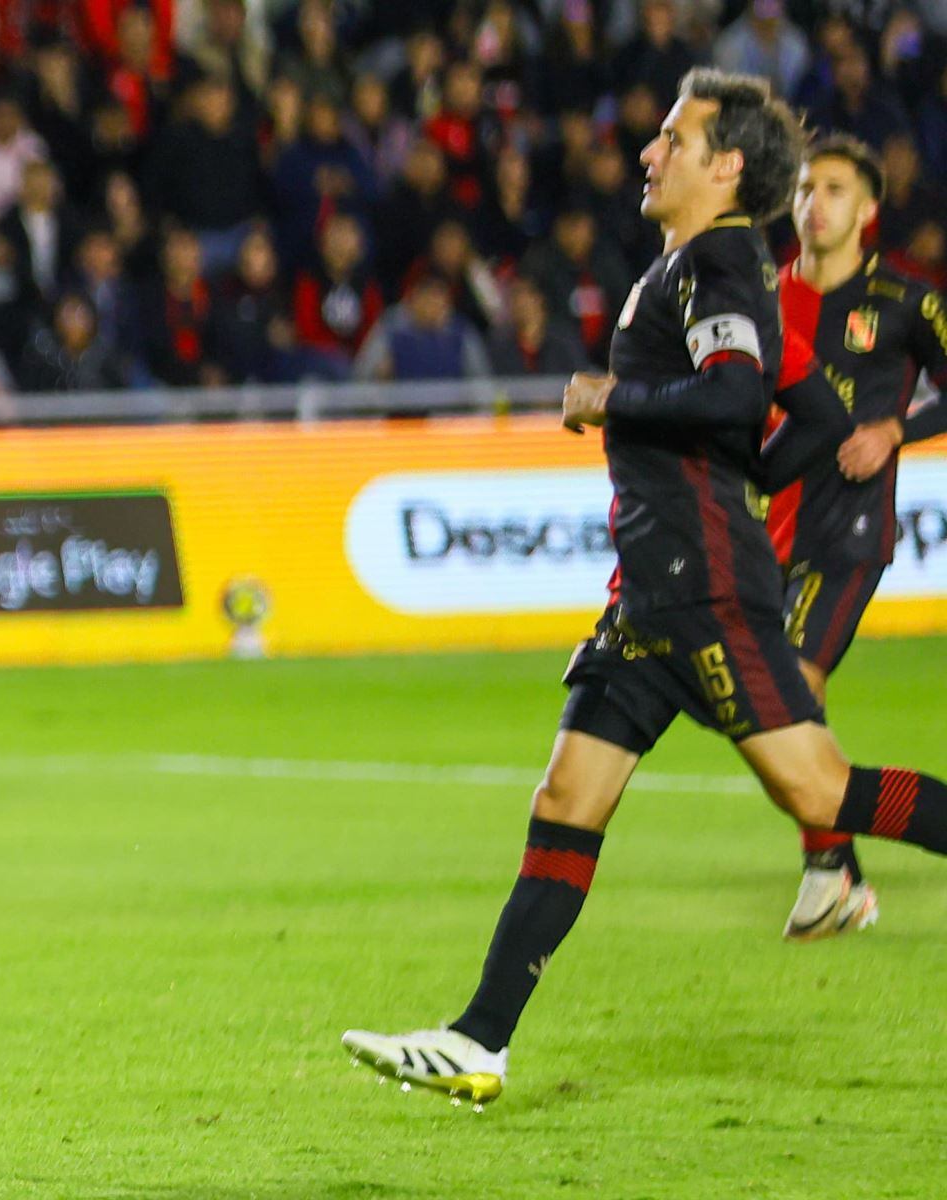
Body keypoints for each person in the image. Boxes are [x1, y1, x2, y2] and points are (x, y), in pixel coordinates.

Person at [341, 70, 947, 1105]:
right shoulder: (704, 267)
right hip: (652, 591)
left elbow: (737, 392)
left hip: (705, 589)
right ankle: (481, 1039)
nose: (647, 153)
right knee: (567, 799)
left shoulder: (716, 258)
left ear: (728, 166)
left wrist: (616, 397)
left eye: (673, 137)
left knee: (817, 791)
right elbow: (809, 411)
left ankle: (483, 1034)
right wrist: (746, 474)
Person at [766, 133, 947, 939]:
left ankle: (828, 874)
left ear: (867, 209)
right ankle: (836, 868)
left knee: (794, 686)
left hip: (850, 526)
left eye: (835, 188)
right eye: (806, 187)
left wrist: (894, 431)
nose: (816, 202)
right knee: (775, 711)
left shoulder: (905, 300)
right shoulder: (765, 299)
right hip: (766, 528)